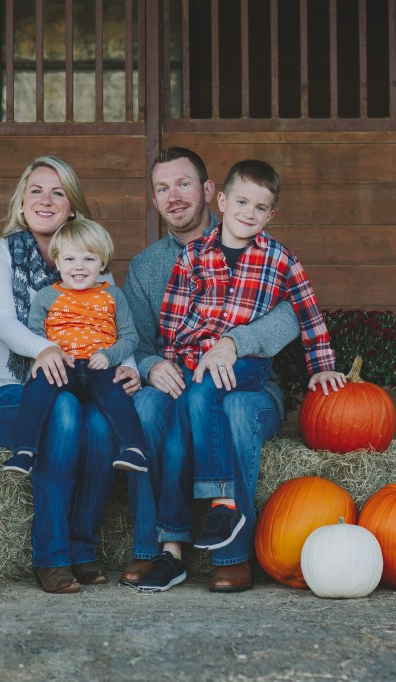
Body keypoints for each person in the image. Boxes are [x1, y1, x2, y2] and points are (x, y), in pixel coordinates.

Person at [151, 158, 346, 580]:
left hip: (247, 365)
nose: (248, 213)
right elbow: (173, 316)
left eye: (260, 208)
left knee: (203, 392)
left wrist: (322, 366)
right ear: (220, 200)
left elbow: (308, 314)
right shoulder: (193, 255)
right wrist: (171, 361)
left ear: (271, 214)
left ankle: (223, 505)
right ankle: (170, 547)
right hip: (194, 363)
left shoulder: (279, 258)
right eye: (241, 202)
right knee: (177, 427)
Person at [120, 148, 301, 593]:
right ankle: (156, 550)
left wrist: (233, 342)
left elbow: (293, 315)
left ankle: (233, 555)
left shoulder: (258, 247)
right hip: (180, 378)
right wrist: (151, 365)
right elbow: (137, 341)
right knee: (144, 407)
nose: (174, 197)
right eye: (162, 189)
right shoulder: (146, 266)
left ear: (210, 192)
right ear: (154, 200)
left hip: (248, 385)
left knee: (235, 411)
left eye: (183, 184)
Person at [0, 156, 140, 594]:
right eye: (36, 191)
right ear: (22, 203)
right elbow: (3, 319)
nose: (46, 200)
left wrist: (130, 369)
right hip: (6, 392)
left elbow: (114, 327)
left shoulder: (92, 263)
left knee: (100, 422)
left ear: (72, 207)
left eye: (58, 192)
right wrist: (44, 348)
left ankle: (83, 549)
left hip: (82, 387)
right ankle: (52, 556)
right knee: (64, 410)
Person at [2, 218, 149, 475]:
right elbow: (36, 333)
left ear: (102, 263)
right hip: (63, 366)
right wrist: (41, 358)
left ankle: (133, 448)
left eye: (88, 259)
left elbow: (129, 337)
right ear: (57, 262)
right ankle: (24, 451)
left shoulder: (113, 295)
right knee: (37, 387)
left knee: (117, 395)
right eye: (70, 260)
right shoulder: (48, 295)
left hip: (98, 365)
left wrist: (109, 355)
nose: (79, 267)